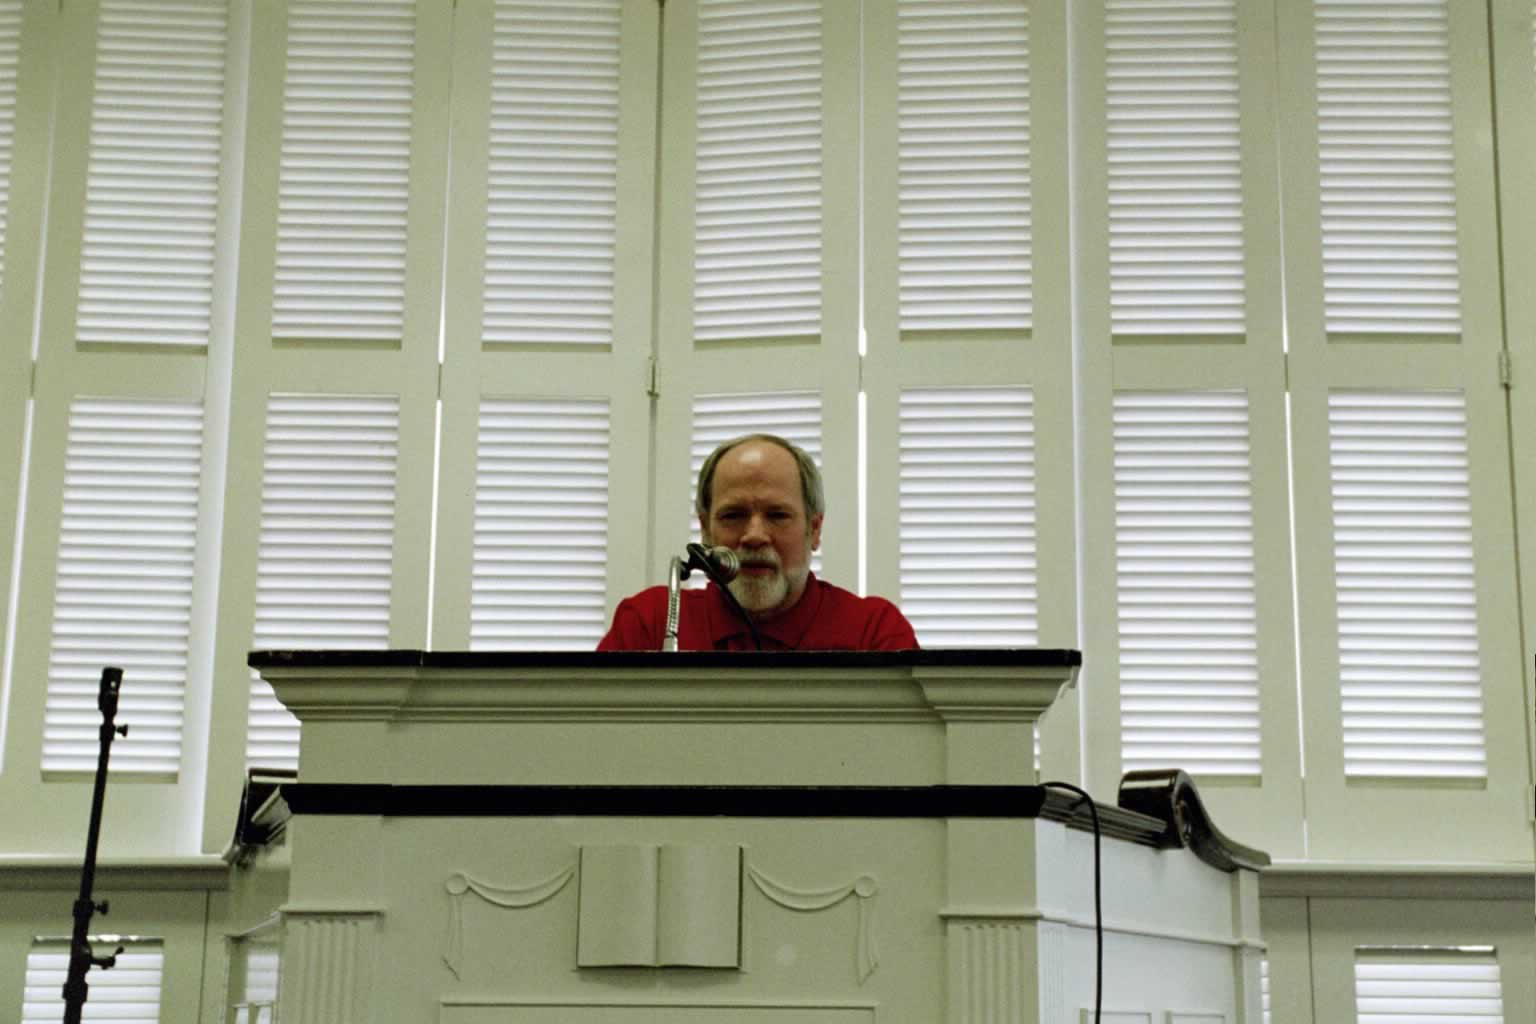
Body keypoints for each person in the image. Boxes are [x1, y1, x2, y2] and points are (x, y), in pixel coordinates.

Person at [597, 433, 918, 651]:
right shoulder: (651, 624)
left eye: (777, 515)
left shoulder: (872, 633)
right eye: (733, 515)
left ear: (815, 529)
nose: (754, 536)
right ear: (705, 530)